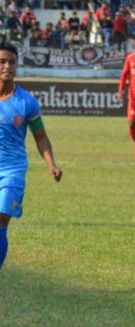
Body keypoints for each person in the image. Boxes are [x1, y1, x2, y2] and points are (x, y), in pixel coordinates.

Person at [0, 43, 62, 270]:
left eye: (12, 62)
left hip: (13, 170)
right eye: (2, 62)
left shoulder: (27, 102)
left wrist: (52, 165)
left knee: (1, 221)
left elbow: (41, 137)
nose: (7, 66)